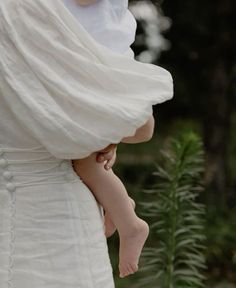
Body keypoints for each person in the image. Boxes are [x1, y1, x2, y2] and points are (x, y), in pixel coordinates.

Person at [0, 0, 173, 287]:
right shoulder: (22, 11)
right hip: (53, 227)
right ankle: (124, 214)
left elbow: (136, 125)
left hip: (51, 226)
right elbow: (136, 126)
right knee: (89, 158)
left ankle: (124, 213)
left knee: (90, 159)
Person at [61, 0, 153, 278]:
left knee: (86, 160)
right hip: (89, 66)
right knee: (87, 159)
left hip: (96, 66)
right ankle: (120, 208)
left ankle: (129, 221)